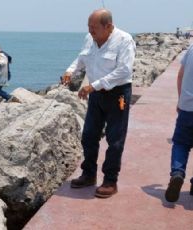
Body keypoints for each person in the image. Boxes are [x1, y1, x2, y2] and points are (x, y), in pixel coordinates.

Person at [61, 9, 136, 198]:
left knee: (115, 139)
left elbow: (124, 71)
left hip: (117, 94)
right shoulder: (89, 38)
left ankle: (110, 181)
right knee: (88, 136)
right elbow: (82, 58)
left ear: (108, 26)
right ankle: (89, 174)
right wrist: (70, 71)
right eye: (88, 27)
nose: (90, 31)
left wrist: (92, 86)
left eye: (93, 28)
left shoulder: (124, 40)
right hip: (96, 95)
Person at [165, 44, 193, 202]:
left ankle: (177, 173)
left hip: (187, 107)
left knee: (181, 144)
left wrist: (180, 100)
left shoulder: (191, 48)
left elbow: (180, 75)